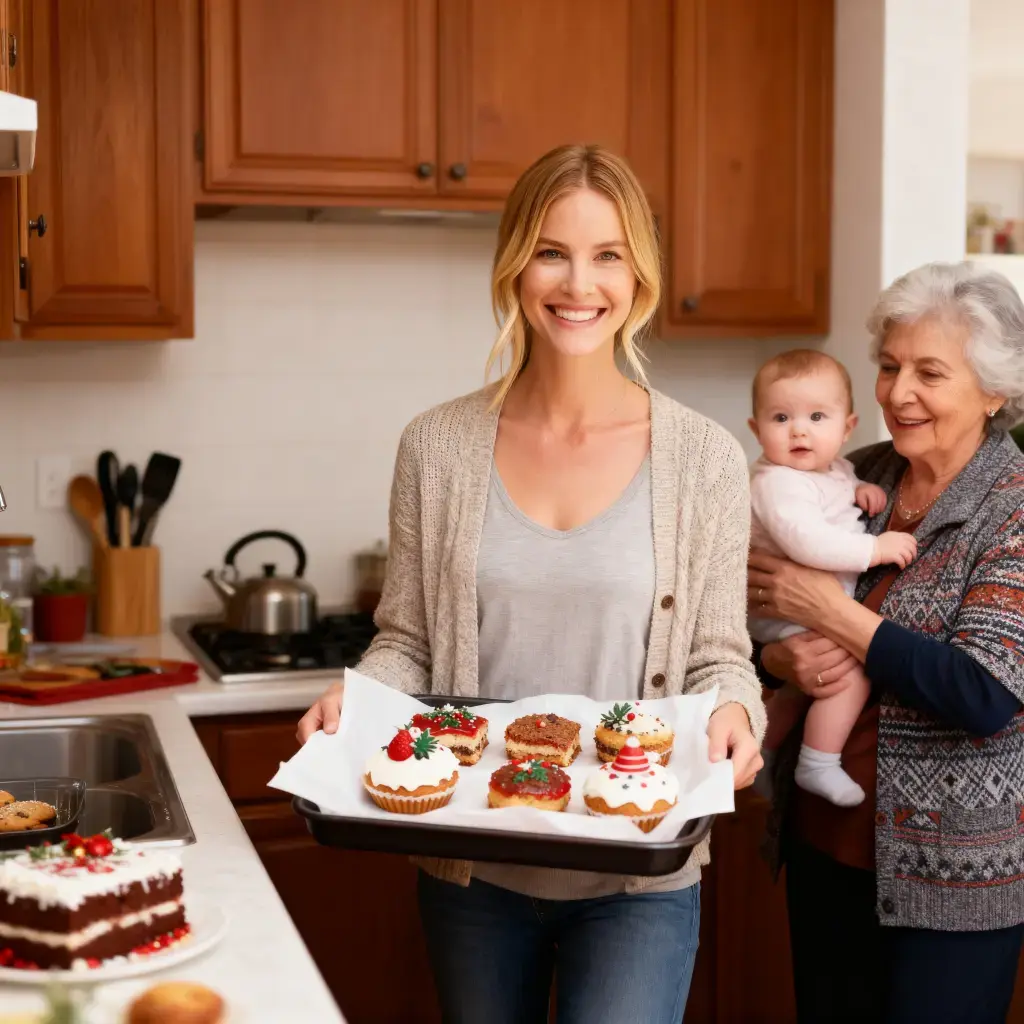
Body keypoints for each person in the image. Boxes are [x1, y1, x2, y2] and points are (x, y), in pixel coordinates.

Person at [296, 144, 765, 1024]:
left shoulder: (704, 458)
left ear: (640, 275)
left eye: (607, 255)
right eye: (552, 250)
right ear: (515, 263)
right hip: (475, 870)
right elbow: (406, 642)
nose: (577, 283)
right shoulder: (435, 447)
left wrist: (737, 713)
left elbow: (719, 658)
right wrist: (357, 698)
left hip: (640, 872)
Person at [749, 261, 1024, 1024]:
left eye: (929, 372)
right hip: (823, 845)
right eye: (890, 366)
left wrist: (835, 617)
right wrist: (774, 657)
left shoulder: (1013, 509)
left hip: (955, 879)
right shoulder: (852, 473)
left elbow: (986, 692)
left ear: (994, 391)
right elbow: (753, 612)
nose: (899, 393)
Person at [747, 349, 917, 808]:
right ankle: (818, 762)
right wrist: (875, 549)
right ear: (755, 429)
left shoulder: (835, 468)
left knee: (805, 685)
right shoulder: (778, 482)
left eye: (817, 416)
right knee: (849, 674)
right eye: (781, 417)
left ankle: (764, 750)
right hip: (782, 613)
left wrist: (861, 489)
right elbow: (808, 542)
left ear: (847, 427)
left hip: (800, 613)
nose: (799, 429)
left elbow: (837, 493)